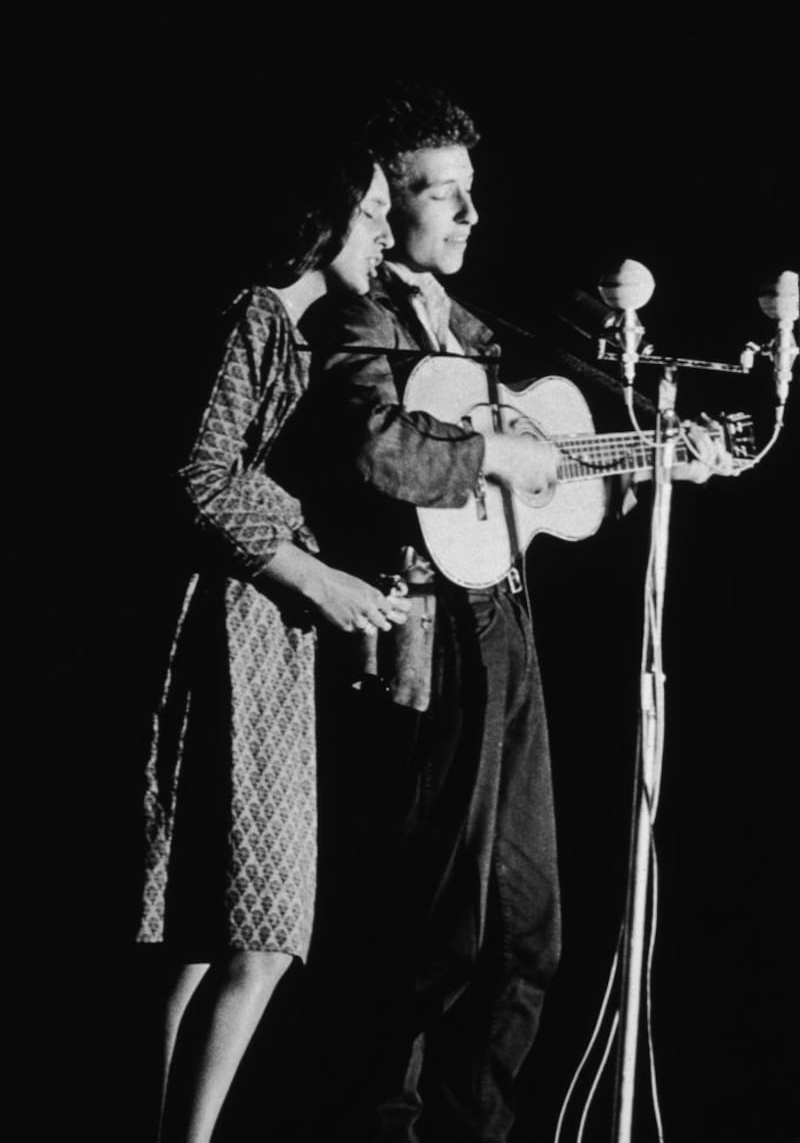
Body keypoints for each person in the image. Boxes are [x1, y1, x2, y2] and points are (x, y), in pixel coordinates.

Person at [297, 86, 732, 1143]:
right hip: (427, 634)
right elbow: (376, 449)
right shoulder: (355, 313)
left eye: (470, 191)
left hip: (504, 622)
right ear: (383, 204)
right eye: (439, 194)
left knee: (528, 932)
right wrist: (495, 452)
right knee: (434, 932)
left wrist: (656, 454)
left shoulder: (469, 326)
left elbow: (555, 457)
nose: (468, 214)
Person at [135, 145, 409, 1143]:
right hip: (234, 632)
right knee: (255, 926)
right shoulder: (257, 313)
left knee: (213, 931)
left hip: (255, 635)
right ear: (322, 216)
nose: (384, 233)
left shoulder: (285, 330)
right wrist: (317, 579)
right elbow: (198, 478)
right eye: (372, 212)